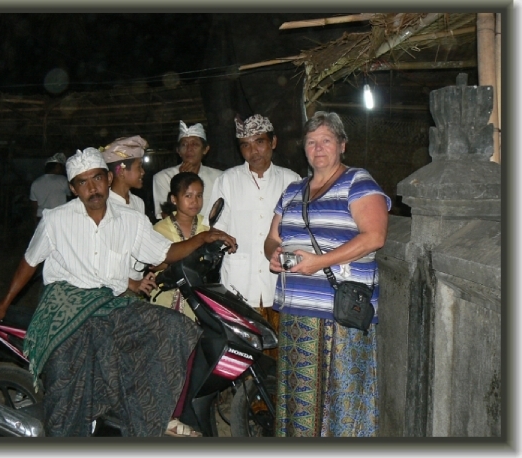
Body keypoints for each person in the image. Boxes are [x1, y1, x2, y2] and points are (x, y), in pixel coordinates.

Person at [0, 147, 236, 437]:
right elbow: (29, 262)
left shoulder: (131, 220)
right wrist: (3, 303)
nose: (92, 188)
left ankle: (145, 415)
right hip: (67, 302)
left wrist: (202, 238)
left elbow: (166, 251)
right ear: (73, 188)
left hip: (112, 302)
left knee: (178, 328)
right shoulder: (55, 220)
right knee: (68, 364)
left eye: (97, 178)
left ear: (109, 179)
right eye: (83, 182)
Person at [263, 111, 391, 437]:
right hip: (296, 313)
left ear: (342, 145)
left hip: (339, 315)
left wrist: (319, 262)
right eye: (311, 142)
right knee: (300, 401)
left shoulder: (358, 182)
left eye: (326, 141)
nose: (318, 148)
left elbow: (374, 237)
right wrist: (274, 256)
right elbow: (273, 237)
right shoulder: (293, 190)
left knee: (342, 402)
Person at [204, 114, 301, 347]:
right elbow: (216, 227)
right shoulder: (227, 180)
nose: (253, 151)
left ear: (273, 142)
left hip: (279, 281)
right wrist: (222, 239)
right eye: (245, 145)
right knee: (243, 352)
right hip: (239, 281)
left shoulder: (292, 181)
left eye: (259, 142)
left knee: (281, 350)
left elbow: (299, 231)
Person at [101, 135, 157, 298]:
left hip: (136, 282)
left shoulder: (138, 203)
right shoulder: (105, 206)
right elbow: (101, 255)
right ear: (121, 171)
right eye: (139, 167)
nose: (143, 172)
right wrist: (131, 283)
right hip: (115, 288)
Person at [151, 172, 209, 322]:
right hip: (165, 299)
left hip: (200, 300)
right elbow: (153, 265)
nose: (195, 201)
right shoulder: (159, 229)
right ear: (174, 199)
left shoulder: (208, 227)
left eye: (199, 195)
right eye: (188, 196)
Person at [152, 120, 222, 220]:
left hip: (211, 233)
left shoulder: (219, 177)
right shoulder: (163, 178)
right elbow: (164, 216)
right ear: (178, 151)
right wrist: (182, 181)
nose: (189, 149)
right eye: (184, 145)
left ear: (205, 149)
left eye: (195, 144)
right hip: (176, 234)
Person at [29, 152, 71, 226]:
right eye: (61, 167)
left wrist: (35, 222)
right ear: (57, 166)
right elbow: (70, 195)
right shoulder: (63, 180)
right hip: (59, 218)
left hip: (41, 218)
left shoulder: (36, 183)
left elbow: (34, 206)